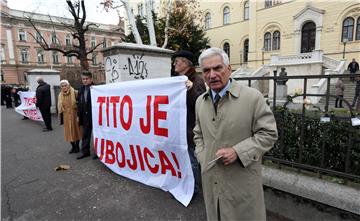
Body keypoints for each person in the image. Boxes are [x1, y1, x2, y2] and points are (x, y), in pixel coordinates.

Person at [193, 48, 278, 221]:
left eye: (218, 68)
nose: (212, 75)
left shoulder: (252, 97)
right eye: (206, 71)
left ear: (229, 69)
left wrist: (238, 152)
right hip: (211, 181)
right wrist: (202, 157)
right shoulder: (200, 102)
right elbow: (198, 134)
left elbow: (269, 134)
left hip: (241, 184)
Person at [172, 50, 206, 197]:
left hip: (190, 129)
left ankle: (194, 189)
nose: (174, 63)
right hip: (181, 128)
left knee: (192, 161)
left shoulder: (196, 81)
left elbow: (201, 104)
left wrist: (191, 89)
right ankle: (187, 185)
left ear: (185, 63)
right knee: (185, 160)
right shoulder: (177, 80)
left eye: (177, 61)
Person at [58, 80, 82, 154]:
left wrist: (79, 115)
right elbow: (60, 108)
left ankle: (77, 146)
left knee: (76, 131)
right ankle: (73, 147)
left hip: (74, 115)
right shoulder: (60, 95)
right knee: (68, 132)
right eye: (62, 86)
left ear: (68, 85)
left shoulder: (75, 92)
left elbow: (80, 104)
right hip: (66, 116)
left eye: (65, 85)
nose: (64, 87)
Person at [77, 71, 95, 160]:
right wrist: (78, 115)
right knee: (85, 134)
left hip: (94, 116)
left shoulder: (96, 89)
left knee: (96, 135)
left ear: (91, 79)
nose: (85, 81)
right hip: (84, 116)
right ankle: (85, 152)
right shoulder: (81, 89)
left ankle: (98, 153)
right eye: (83, 79)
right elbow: (79, 103)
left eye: (87, 79)